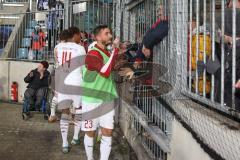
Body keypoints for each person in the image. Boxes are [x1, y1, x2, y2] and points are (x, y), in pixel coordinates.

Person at [81, 25, 121, 160]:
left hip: (107, 99)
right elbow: (104, 72)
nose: (110, 36)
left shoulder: (106, 52)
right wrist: (115, 51)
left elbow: (111, 67)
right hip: (91, 99)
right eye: (106, 33)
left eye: (110, 33)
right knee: (90, 132)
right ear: (97, 37)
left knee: (107, 131)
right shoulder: (93, 53)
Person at [55, 27, 86, 153]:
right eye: (80, 35)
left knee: (65, 112)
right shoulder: (80, 48)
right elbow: (84, 68)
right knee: (78, 111)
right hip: (77, 83)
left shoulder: (57, 47)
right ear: (75, 36)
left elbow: (57, 65)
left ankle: (64, 143)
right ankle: (75, 137)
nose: (81, 37)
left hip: (63, 84)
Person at [48, 29, 69, 123]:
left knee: (57, 94)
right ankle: (69, 117)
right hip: (66, 73)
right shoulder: (69, 47)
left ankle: (52, 114)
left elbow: (56, 60)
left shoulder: (57, 47)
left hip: (58, 71)